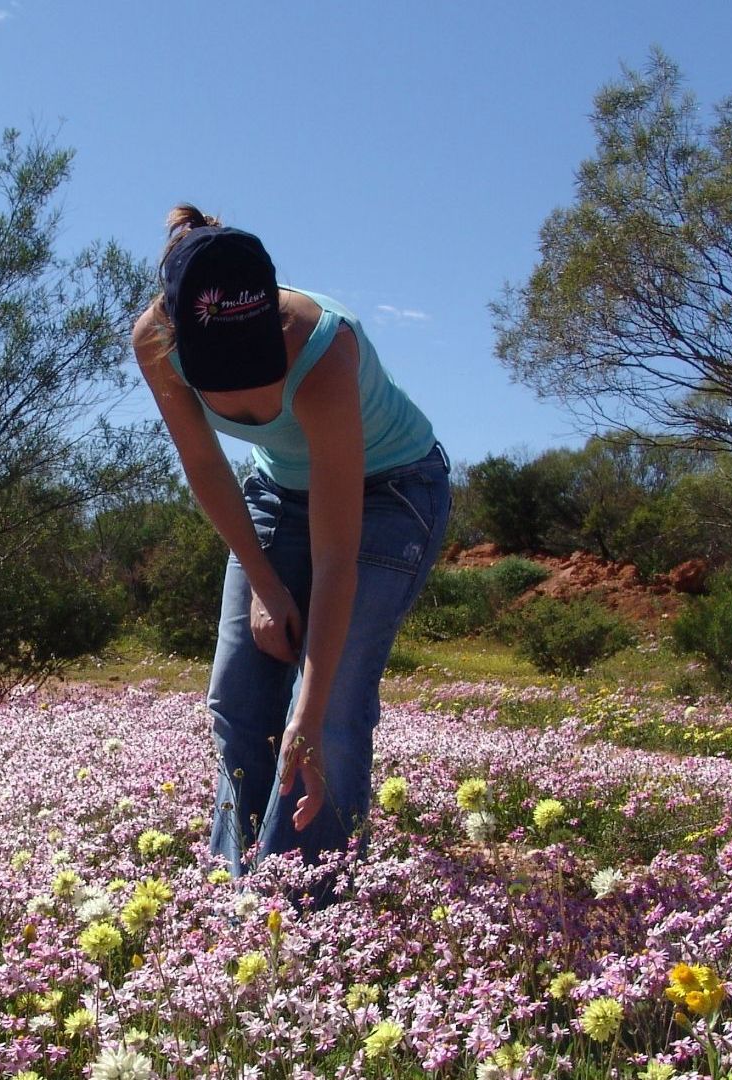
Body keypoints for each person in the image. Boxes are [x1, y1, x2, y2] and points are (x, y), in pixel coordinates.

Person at [132, 204, 451, 896]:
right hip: (276, 494)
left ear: (274, 319)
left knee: (327, 705)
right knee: (239, 698)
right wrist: (265, 585)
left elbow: (338, 555)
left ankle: (308, 913)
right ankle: (234, 896)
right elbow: (208, 466)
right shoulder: (154, 339)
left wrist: (305, 717)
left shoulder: (324, 346)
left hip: (390, 493)